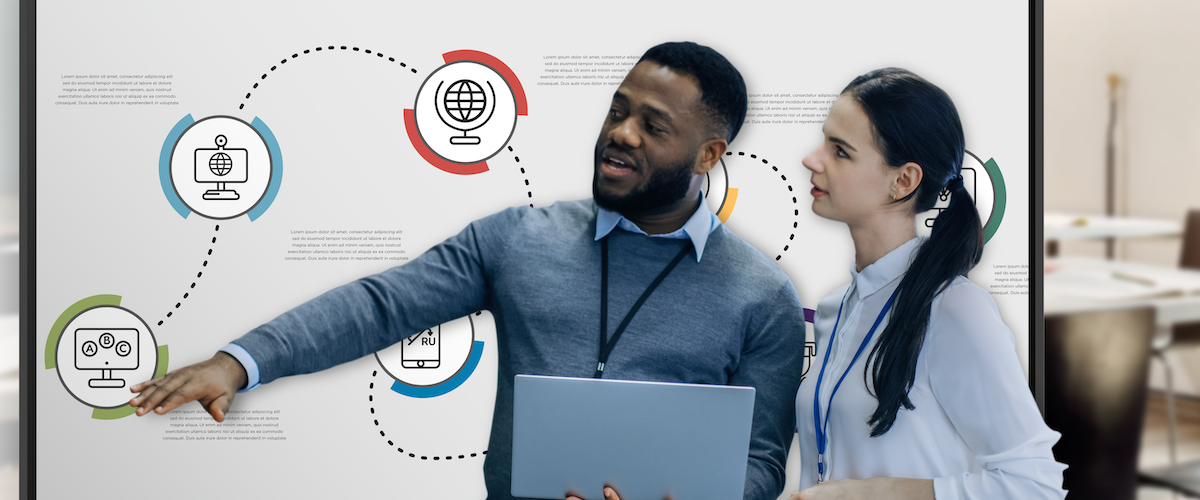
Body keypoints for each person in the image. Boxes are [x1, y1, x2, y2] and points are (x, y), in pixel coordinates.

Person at [129, 42, 806, 500]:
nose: (621, 133)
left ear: (708, 154)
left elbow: (762, 461)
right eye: (618, 109)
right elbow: (380, 306)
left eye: (653, 126)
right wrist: (240, 362)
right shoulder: (518, 238)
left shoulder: (763, 294)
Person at [792, 68, 1067, 500]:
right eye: (825, 141)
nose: (812, 159)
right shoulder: (833, 309)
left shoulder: (955, 308)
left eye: (840, 151)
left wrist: (879, 493)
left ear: (904, 180)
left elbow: (1034, 484)